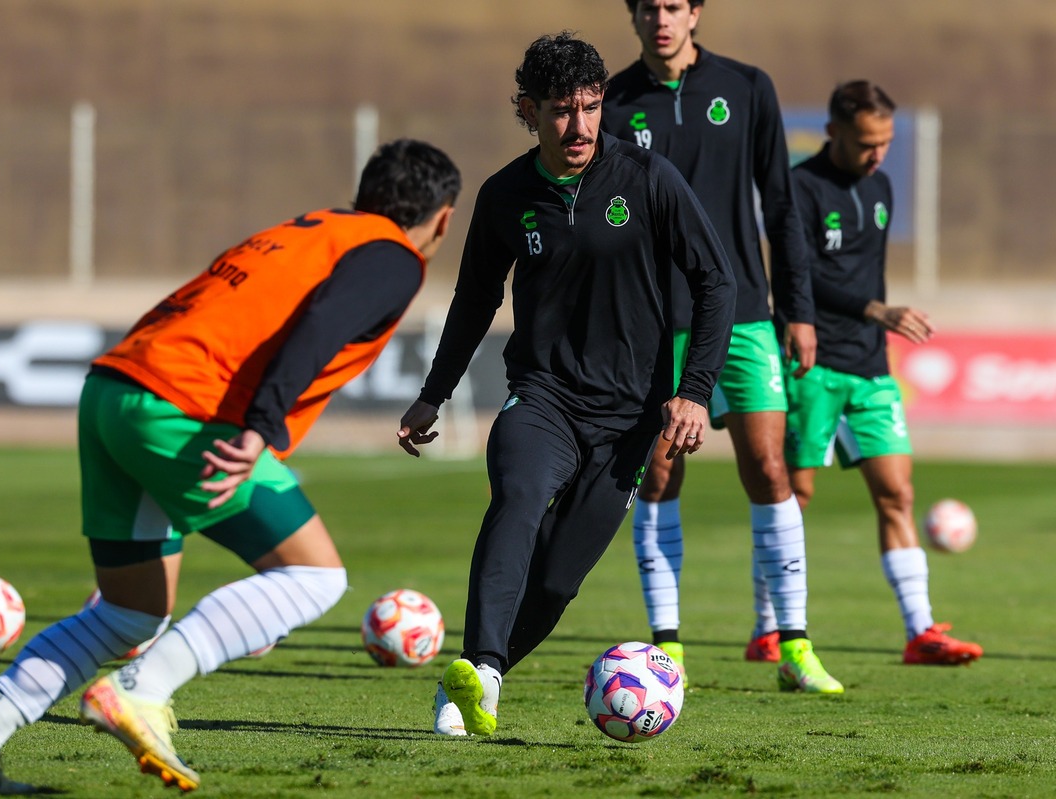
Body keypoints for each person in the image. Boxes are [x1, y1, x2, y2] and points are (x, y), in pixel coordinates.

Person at [0, 138, 462, 794]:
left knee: (129, 612)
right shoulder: (393, 256)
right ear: (443, 219)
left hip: (115, 389)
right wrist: (262, 426)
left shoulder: (305, 230)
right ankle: (141, 689)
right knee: (315, 576)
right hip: (186, 404)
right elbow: (321, 325)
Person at [397, 32, 736, 737]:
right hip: (542, 397)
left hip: (630, 423)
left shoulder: (648, 180)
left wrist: (696, 389)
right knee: (518, 497)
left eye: (589, 107)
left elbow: (716, 281)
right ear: (527, 109)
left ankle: (477, 678)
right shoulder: (504, 197)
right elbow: (473, 300)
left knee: (556, 580)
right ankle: (481, 670)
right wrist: (435, 391)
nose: (578, 126)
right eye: (559, 110)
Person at [602, 0, 843, 693]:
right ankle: (668, 645)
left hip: (742, 314)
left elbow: (781, 204)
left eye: (674, 5)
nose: (661, 18)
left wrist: (797, 309)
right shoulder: (614, 102)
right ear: (633, 15)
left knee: (770, 470)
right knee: (657, 474)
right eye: (647, 7)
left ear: (697, 12)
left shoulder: (747, 87)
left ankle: (794, 645)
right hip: (655, 322)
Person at [781, 80, 982, 666]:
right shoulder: (798, 189)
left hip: (870, 366)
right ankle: (772, 628)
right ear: (833, 133)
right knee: (794, 496)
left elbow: (865, 272)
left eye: (887, 142)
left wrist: (876, 318)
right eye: (868, 143)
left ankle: (920, 632)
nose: (878, 154)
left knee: (897, 492)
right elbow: (799, 277)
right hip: (812, 363)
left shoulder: (883, 185)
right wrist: (876, 311)